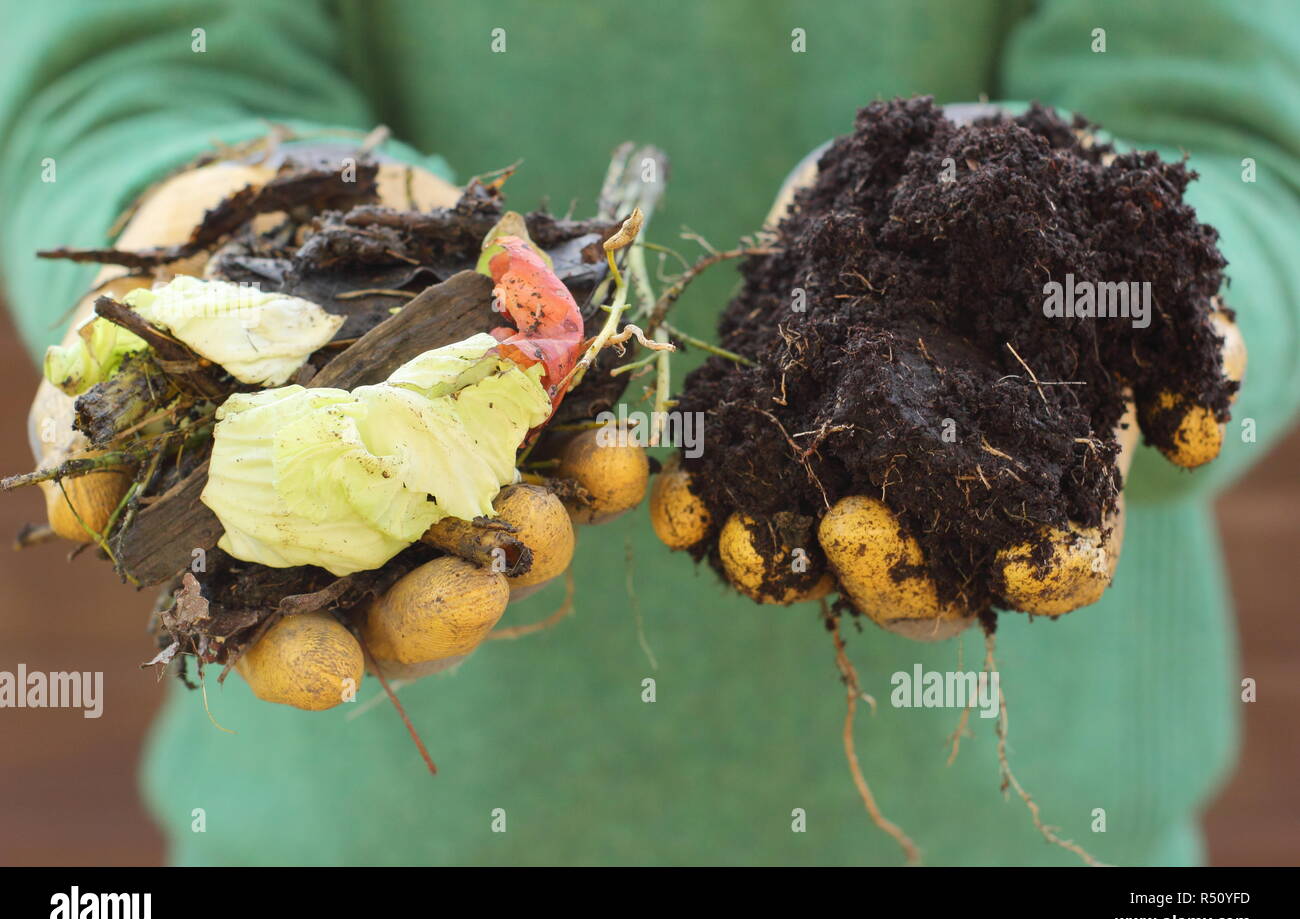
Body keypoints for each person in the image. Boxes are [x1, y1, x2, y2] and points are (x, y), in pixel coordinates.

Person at [2, 0, 1297, 865]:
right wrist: (209, 204)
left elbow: (1237, 129)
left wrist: (1143, 285)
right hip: (358, 837)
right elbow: (133, 61)